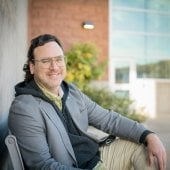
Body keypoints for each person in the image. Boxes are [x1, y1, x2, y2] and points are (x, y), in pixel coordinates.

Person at [8, 34, 166, 170]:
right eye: (46, 61)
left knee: (145, 150)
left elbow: (108, 119)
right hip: (74, 166)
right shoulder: (24, 108)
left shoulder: (71, 92)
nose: (54, 67)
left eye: (58, 59)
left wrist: (148, 135)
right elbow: (43, 166)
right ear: (32, 67)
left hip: (98, 157)